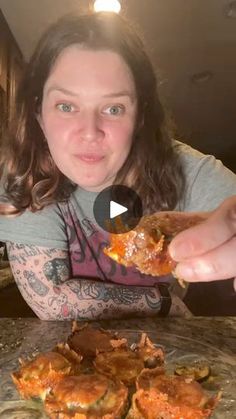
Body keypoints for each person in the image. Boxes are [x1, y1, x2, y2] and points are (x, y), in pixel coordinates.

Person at [0, 12, 235, 320]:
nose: (89, 131)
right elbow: (51, 300)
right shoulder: (24, 176)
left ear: (139, 117)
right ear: (39, 114)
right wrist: (163, 302)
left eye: (113, 108)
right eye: (66, 106)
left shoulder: (185, 170)